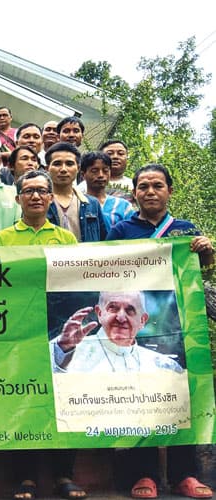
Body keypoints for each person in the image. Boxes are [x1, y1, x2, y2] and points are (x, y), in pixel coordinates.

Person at [106, 163, 213, 500]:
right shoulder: (121, 230)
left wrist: (207, 253)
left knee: (183, 397)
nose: (150, 191)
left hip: (182, 326)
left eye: (157, 185)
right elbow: (101, 272)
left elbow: (200, 272)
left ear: (169, 190)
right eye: (143, 186)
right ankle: (145, 474)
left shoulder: (184, 230)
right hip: (138, 327)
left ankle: (186, 474)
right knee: (141, 399)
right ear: (134, 192)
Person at [0, 170, 82, 500]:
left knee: (62, 401)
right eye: (29, 191)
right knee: (22, 400)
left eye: (42, 191)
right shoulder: (1, 239)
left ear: (50, 197)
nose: (36, 197)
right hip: (17, 329)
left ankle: (64, 475)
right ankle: (24, 478)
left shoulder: (67, 239)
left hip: (57, 329)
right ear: (18, 199)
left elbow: (74, 286)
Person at [50, 291, 183, 373]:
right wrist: (63, 349)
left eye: (130, 310)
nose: (120, 317)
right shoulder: (61, 351)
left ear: (142, 320)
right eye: (113, 308)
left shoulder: (164, 365)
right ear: (99, 313)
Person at [45, 142, 108, 242]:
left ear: (78, 168)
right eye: (57, 164)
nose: (63, 169)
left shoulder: (92, 204)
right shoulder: (39, 202)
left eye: (69, 164)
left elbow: (105, 241)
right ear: (47, 168)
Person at [77, 151, 134, 227]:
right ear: (83, 175)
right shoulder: (76, 204)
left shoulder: (123, 206)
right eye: (94, 171)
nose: (101, 175)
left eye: (105, 171)